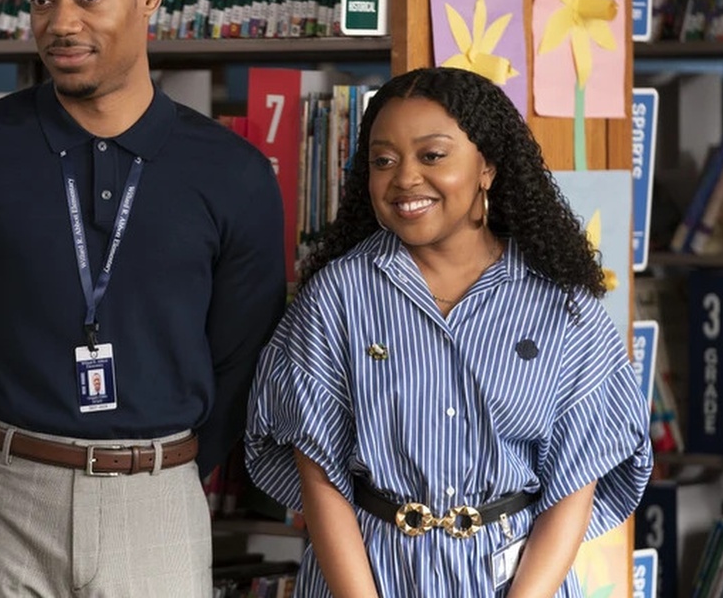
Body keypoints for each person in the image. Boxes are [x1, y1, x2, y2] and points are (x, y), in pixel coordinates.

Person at [0, 0, 286, 597]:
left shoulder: (235, 174)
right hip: (11, 489)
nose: (60, 21)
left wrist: (165, 474)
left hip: (159, 497)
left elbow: (244, 360)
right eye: (42, 0)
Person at [243, 67, 654, 597]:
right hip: (369, 575)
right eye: (383, 160)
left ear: (487, 166)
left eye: (432, 156)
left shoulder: (562, 303)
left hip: (515, 580)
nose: (405, 178)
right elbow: (319, 476)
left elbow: (575, 484)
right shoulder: (337, 297)